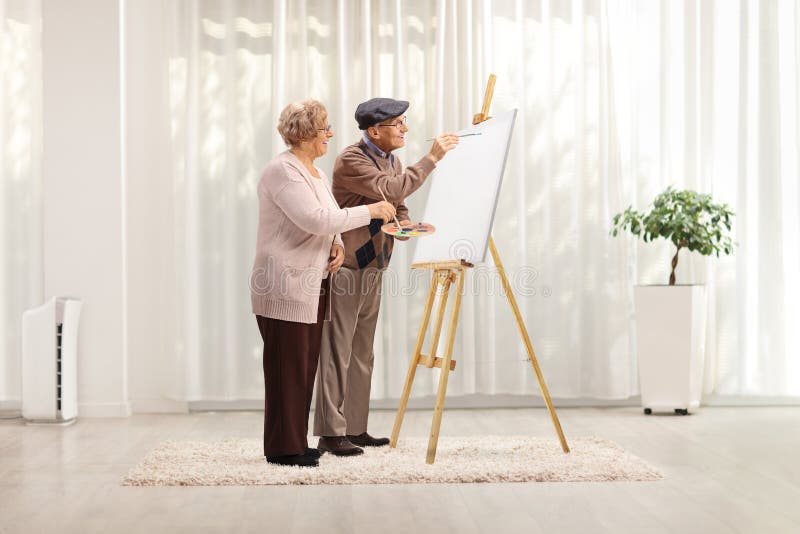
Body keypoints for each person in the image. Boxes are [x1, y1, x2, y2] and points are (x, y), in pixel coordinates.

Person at [249, 99, 396, 467]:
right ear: (304, 133)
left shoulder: (311, 171)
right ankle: (284, 449)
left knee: (302, 367)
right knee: (287, 368)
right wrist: (371, 210)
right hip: (283, 284)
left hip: (311, 283)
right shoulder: (282, 171)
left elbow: (327, 221)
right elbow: (314, 219)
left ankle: (294, 442)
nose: (331, 133)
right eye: (324, 127)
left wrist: (336, 244)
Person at [313, 97, 459, 455]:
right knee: (337, 351)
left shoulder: (391, 159)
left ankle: (355, 428)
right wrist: (433, 158)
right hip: (346, 265)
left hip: (376, 263)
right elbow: (391, 189)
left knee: (362, 351)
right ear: (374, 130)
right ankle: (331, 433)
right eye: (399, 123)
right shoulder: (352, 159)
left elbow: (398, 201)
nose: (405, 129)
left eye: (404, 121)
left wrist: (406, 221)